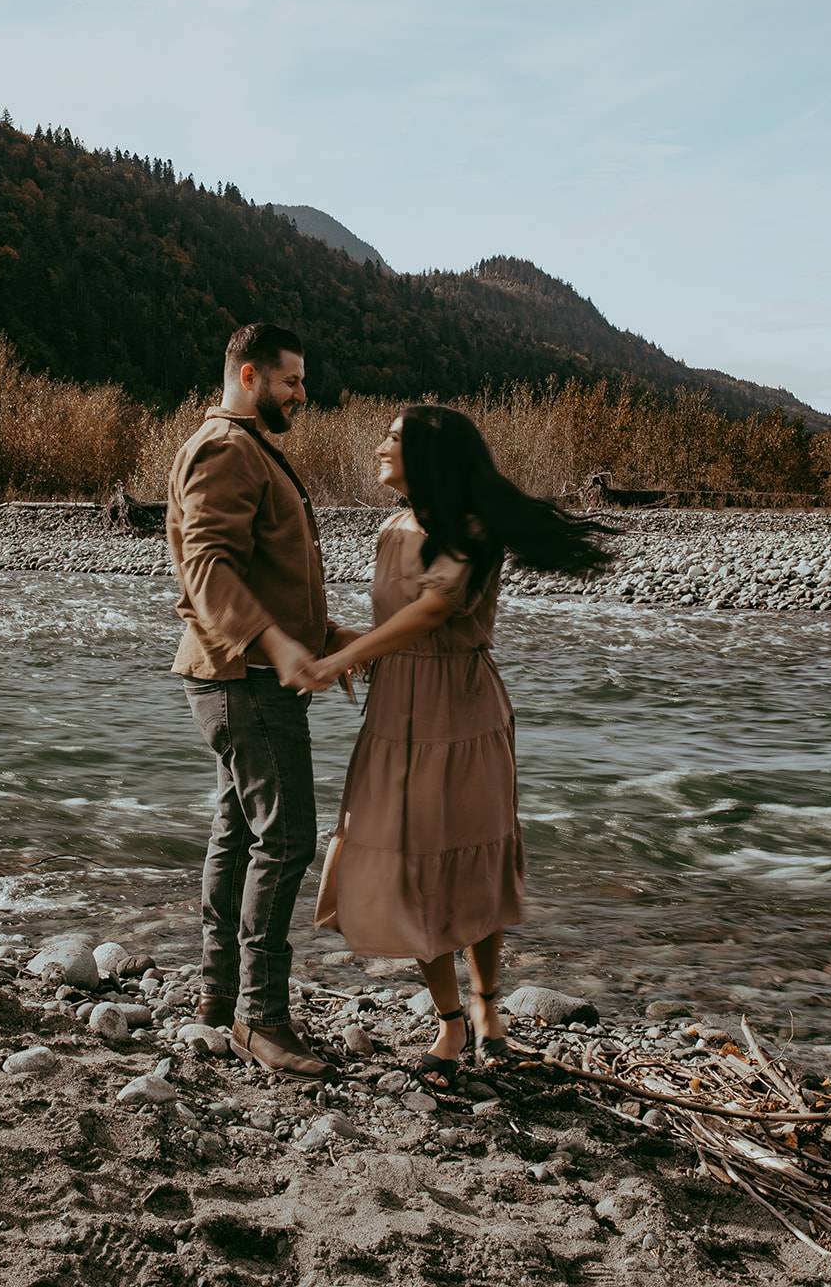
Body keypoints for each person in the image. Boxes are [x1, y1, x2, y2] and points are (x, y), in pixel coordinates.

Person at [302, 405, 614, 1091]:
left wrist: (337, 662)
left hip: (464, 715)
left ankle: (486, 1010)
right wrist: (335, 639)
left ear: (429, 456)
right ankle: (448, 1020)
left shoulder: (471, 528)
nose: (380, 445)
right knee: (404, 864)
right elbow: (396, 626)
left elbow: (436, 609)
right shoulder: (391, 527)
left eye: (394, 437)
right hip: (395, 714)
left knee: (471, 861)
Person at [167, 322, 348, 1081]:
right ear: (249, 376)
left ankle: (218, 995)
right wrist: (277, 647)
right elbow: (207, 569)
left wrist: (330, 637)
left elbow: (261, 570)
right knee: (286, 841)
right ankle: (260, 1020)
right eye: (291, 381)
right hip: (244, 678)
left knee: (238, 833)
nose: (301, 395)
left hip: (242, 672)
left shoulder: (243, 447)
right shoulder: (224, 448)